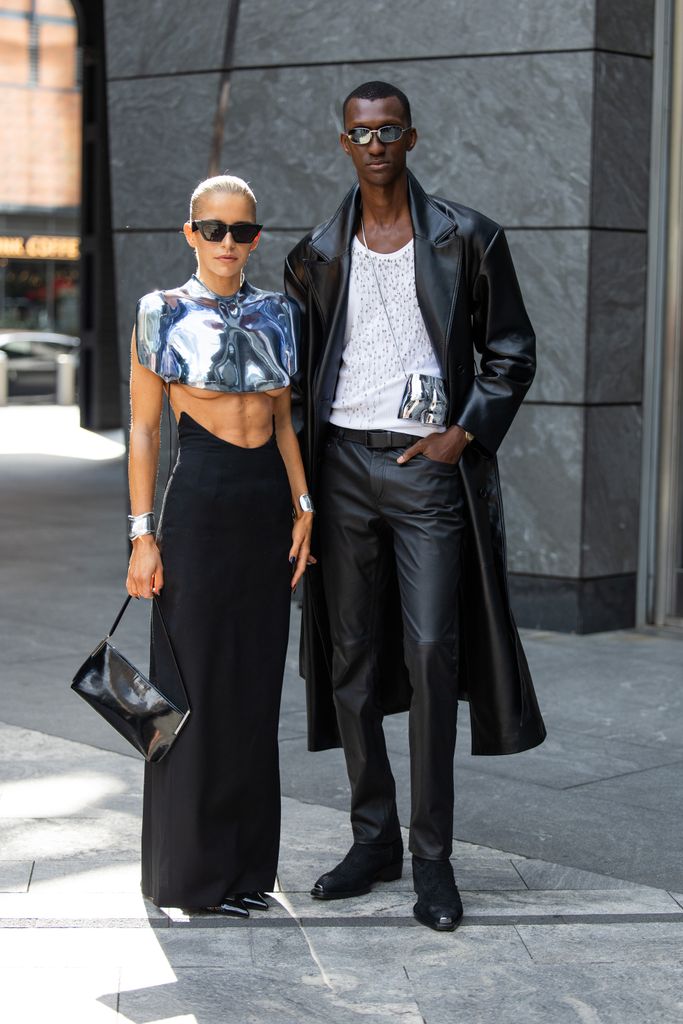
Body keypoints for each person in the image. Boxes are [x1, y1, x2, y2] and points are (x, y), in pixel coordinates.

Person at [285, 82, 546, 932]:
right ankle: (374, 839)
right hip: (341, 471)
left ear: (411, 137)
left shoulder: (465, 236)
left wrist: (460, 436)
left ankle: (432, 857)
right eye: (360, 132)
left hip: (426, 471)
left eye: (388, 129)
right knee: (352, 661)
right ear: (343, 142)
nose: (375, 143)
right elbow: (295, 382)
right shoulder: (315, 254)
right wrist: (297, 494)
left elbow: (509, 350)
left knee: (434, 653)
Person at [127, 174, 314, 917]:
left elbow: (286, 421)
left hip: (265, 506)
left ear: (256, 238)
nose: (228, 243)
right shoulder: (161, 312)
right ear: (190, 232)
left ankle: (243, 872)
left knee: (252, 691)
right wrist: (144, 536)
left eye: (241, 231)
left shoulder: (279, 314)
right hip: (197, 504)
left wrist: (303, 505)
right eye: (214, 229)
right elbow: (143, 430)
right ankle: (186, 876)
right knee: (188, 691)